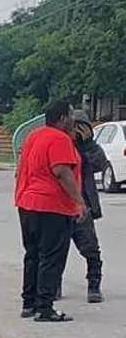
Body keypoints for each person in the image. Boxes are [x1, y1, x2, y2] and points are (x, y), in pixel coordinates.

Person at [14, 99, 86, 322]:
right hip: (51, 206)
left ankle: (29, 303)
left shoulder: (34, 136)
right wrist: (79, 202)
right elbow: (62, 171)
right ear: (62, 118)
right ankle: (44, 307)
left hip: (27, 203)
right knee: (51, 257)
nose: (74, 119)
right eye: (71, 115)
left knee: (33, 255)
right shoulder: (59, 139)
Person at [71, 110, 108, 303]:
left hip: (83, 205)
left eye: (81, 127)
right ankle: (53, 286)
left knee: (90, 248)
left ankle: (94, 284)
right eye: (74, 126)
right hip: (59, 204)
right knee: (54, 250)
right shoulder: (61, 144)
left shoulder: (89, 148)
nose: (76, 131)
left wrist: (88, 143)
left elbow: (100, 164)